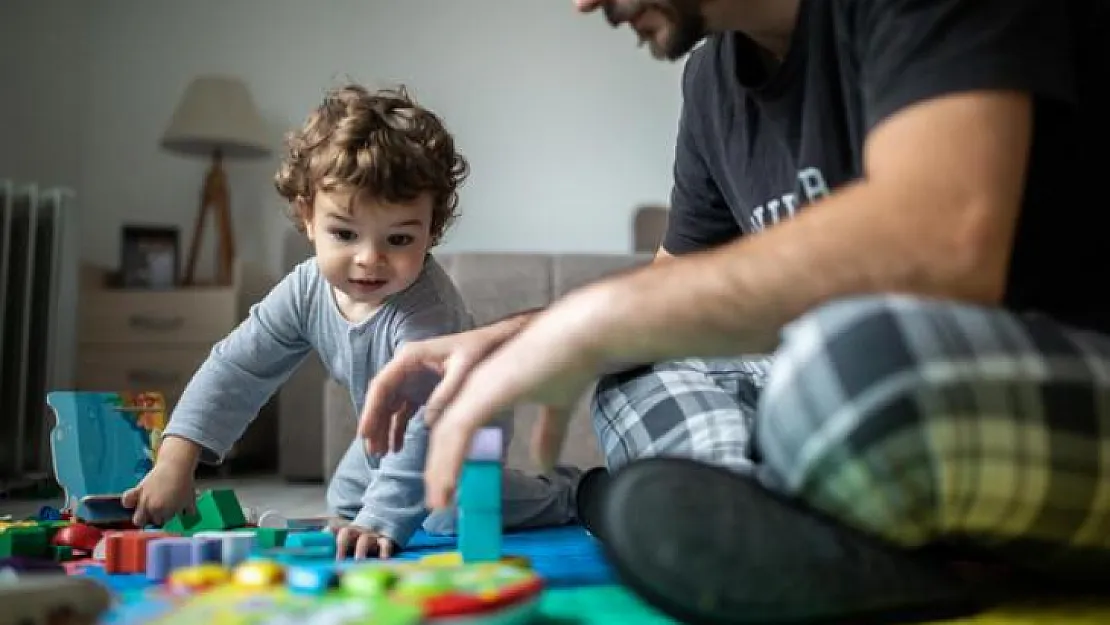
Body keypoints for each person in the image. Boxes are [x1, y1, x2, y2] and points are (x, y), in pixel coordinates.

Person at [358, 0, 1110, 622]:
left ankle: (816, 531)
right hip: (857, 432)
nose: (583, 2)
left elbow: (946, 236)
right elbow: (667, 294)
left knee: (847, 355)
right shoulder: (713, 80)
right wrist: (510, 340)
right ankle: (805, 535)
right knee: (636, 372)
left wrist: (591, 326)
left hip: (1042, 383)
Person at [121, 84, 581, 560]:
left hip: (451, 432)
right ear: (307, 217)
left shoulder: (428, 311)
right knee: (344, 502)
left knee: (446, 513)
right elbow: (237, 368)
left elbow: (428, 421)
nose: (369, 260)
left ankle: (568, 492)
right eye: (344, 233)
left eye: (400, 240)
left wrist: (382, 520)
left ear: (432, 229)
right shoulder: (304, 290)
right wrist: (177, 458)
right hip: (384, 435)